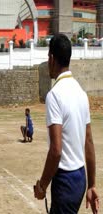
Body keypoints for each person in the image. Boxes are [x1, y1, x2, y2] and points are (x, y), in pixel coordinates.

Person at [34, 34, 99, 214]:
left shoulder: (54, 95)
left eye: (48, 57)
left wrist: (42, 186)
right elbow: (89, 142)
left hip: (65, 180)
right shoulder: (81, 93)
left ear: (52, 58)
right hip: (80, 178)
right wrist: (92, 184)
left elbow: (56, 150)